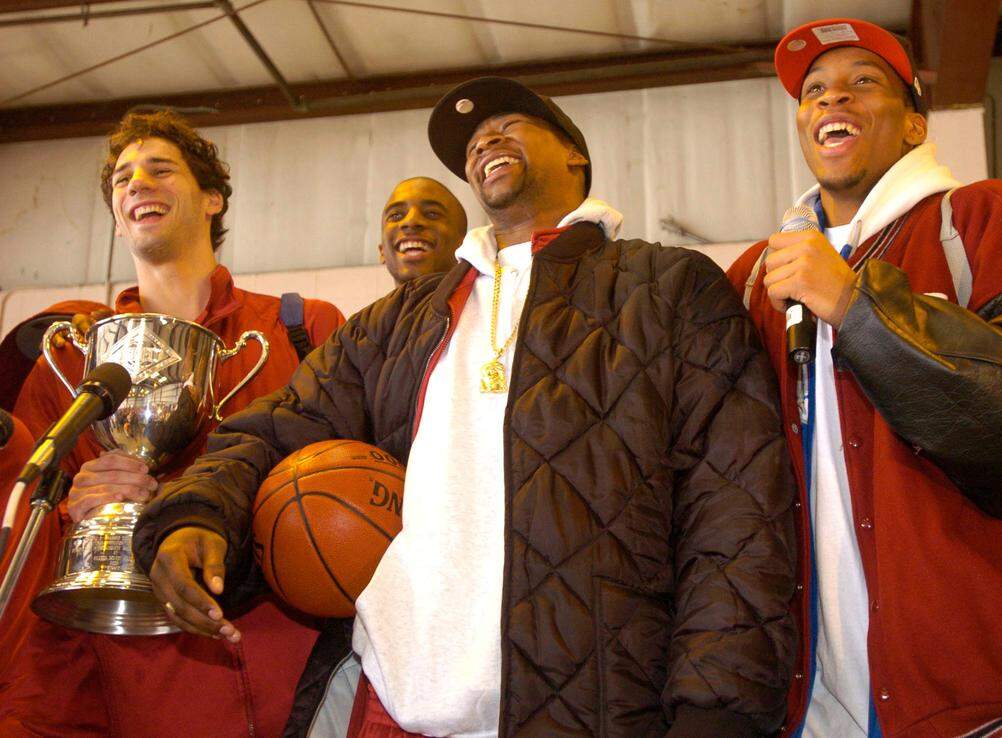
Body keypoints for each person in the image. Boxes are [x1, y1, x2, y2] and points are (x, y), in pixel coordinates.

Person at [135, 76, 798, 738]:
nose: (486, 141)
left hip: (597, 707)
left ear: (576, 155)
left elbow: (736, 507)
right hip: (393, 710)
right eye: (475, 143)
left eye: (510, 125)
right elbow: (278, 429)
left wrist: (718, 712)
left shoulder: (669, 287)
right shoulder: (398, 321)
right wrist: (199, 513)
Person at [725, 18, 1002, 738]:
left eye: (862, 83)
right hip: (813, 707)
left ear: (914, 126)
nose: (830, 101)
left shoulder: (977, 218)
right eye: (814, 91)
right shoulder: (761, 270)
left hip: (990, 704)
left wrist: (859, 309)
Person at [0, 110, 345, 737]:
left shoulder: (300, 329)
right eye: (122, 180)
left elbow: (348, 475)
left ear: (212, 198)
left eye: (161, 170)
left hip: (295, 665)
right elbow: (22, 533)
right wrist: (75, 507)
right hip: (146, 683)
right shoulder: (69, 359)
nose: (137, 184)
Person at [379, 176, 466, 284]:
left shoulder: (487, 300)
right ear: (382, 251)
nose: (410, 222)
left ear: (464, 247)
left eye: (432, 213)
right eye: (396, 215)